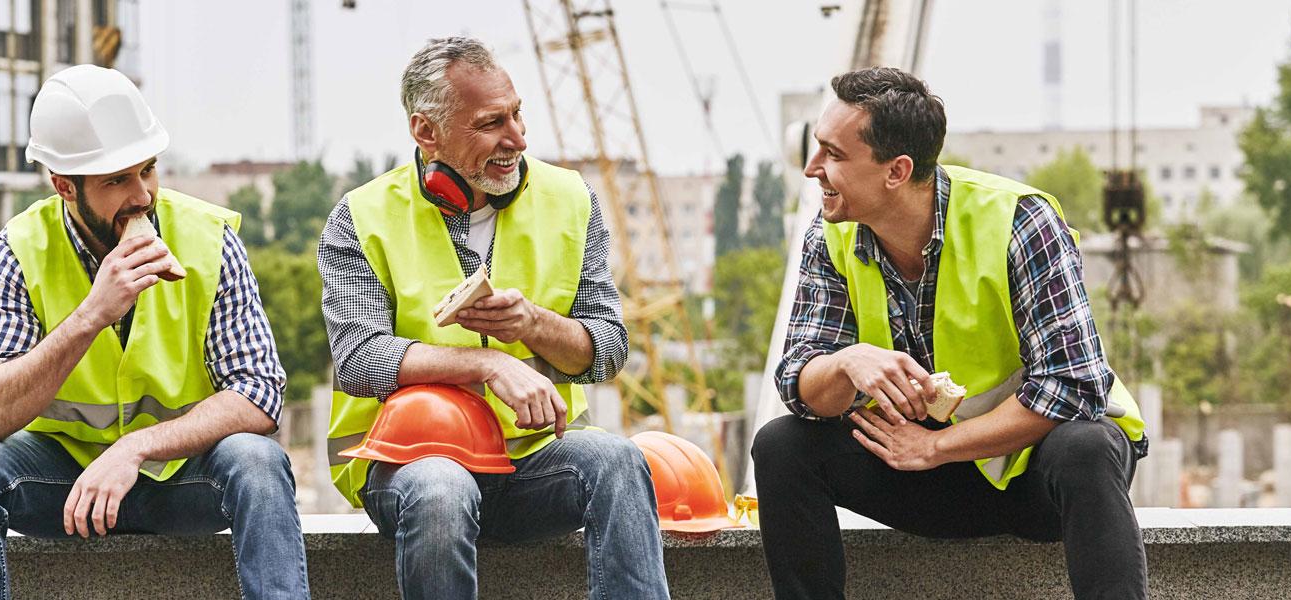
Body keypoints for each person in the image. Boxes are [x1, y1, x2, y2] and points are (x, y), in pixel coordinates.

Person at [751, 66, 1150, 600]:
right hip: (925, 476)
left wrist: (937, 447)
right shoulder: (829, 240)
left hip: (1035, 477)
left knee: (1087, 446)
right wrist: (848, 361)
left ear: (897, 171)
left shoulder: (1019, 221)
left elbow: (1072, 388)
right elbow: (799, 382)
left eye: (834, 155)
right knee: (781, 445)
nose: (811, 168)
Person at [0, 64, 309, 599]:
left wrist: (135, 449)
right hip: (65, 485)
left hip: (182, 478)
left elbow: (261, 393)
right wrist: (91, 314)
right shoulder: (17, 250)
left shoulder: (209, 238)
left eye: (147, 170)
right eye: (116, 180)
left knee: (257, 460)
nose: (143, 196)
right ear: (64, 185)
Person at [317, 37, 670, 600]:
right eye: (490, 124)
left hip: (532, 459)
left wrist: (533, 324)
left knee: (619, 460)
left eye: (517, 114)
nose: (518, 140)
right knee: (441, 489)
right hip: (410, 463)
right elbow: (359, 360)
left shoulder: (571, 198)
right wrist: (484, 363)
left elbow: (607, 349)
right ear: (425, 131)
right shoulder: (361, 217)